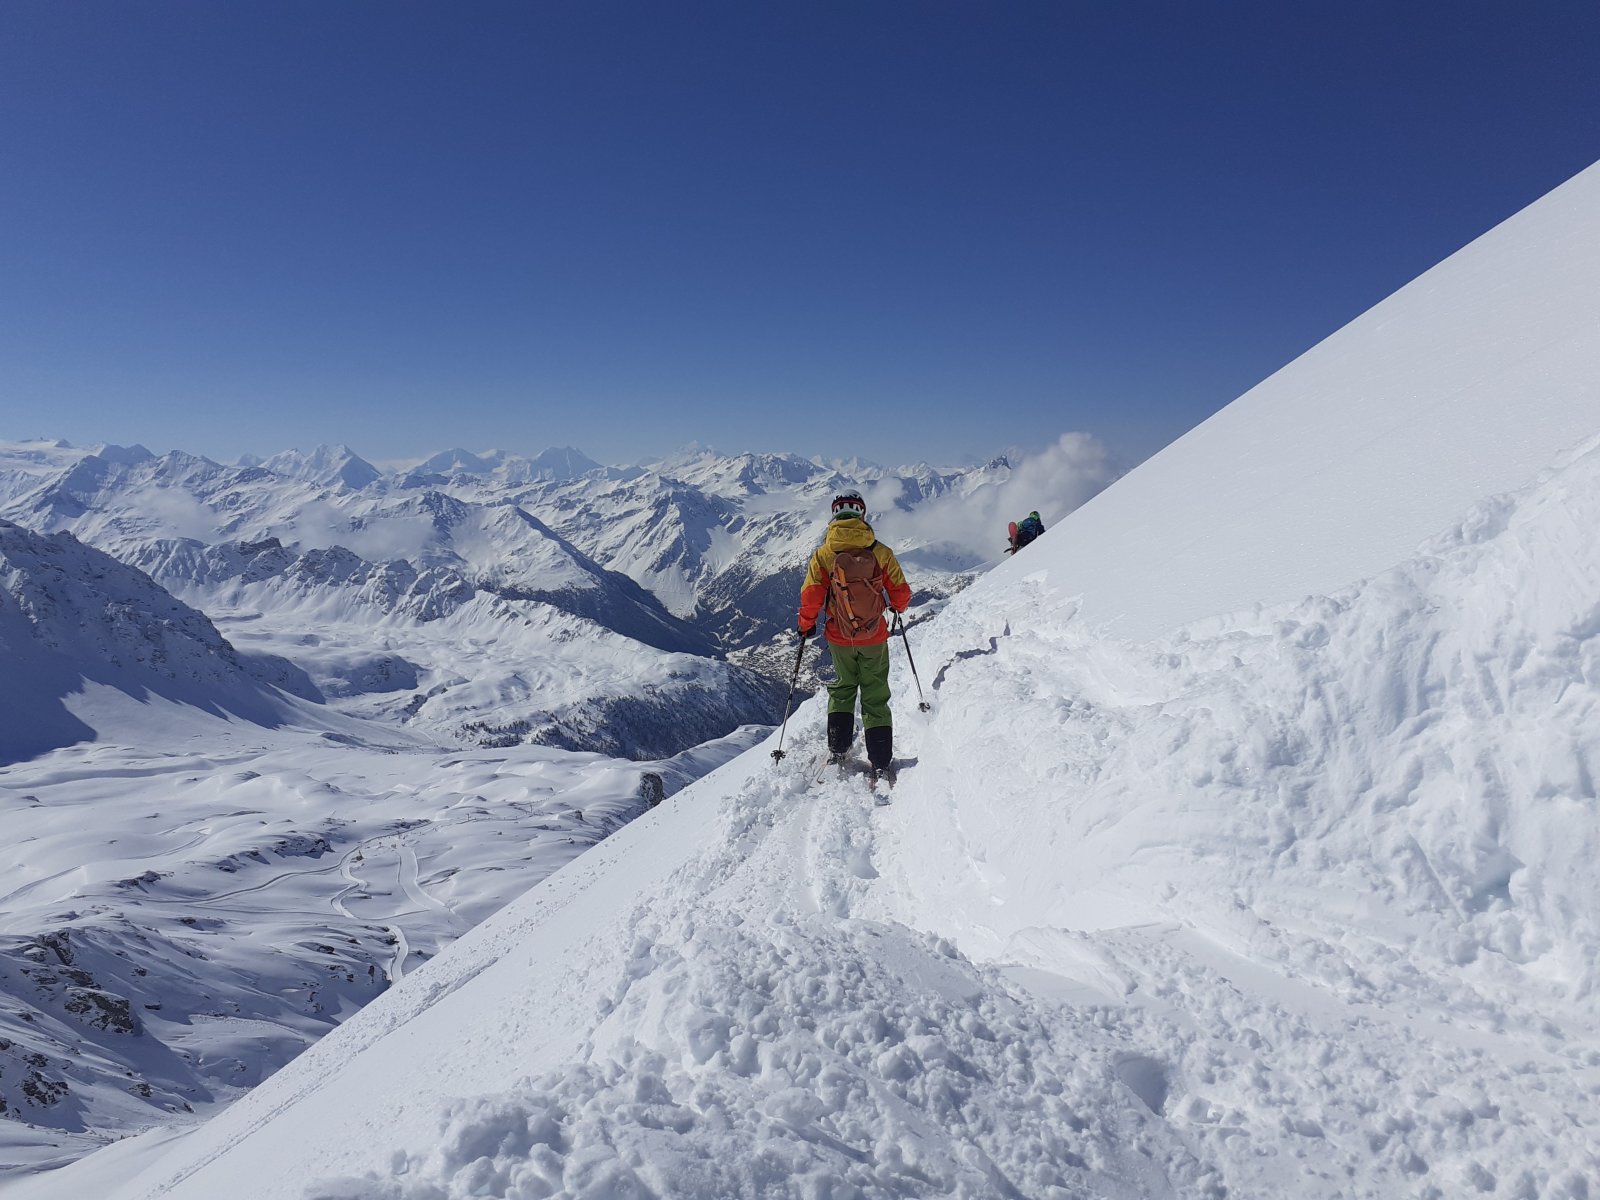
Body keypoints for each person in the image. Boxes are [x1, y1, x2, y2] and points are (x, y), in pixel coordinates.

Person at [797, 491, 912, 780]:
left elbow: (811, 596)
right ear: (862, 515)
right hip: (874, 637)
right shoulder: (881, 552)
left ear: (834, 516)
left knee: (844, 688)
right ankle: (881, 760)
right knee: (875, 695)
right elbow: (902, 594)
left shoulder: (824, 554)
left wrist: (805, 625)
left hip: (839, 637)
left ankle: (838, 748)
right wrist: (896, 607)